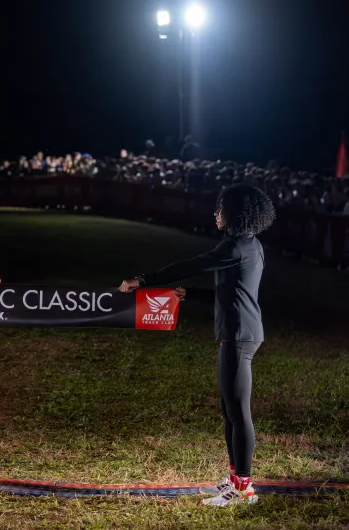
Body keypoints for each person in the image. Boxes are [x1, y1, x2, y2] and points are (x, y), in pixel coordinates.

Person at [119, 183, 274, 507]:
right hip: (240, 331)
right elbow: (237, 291)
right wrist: (195, 295)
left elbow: (192, 264)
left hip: (239, 335)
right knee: (229, 411)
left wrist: (144, 279)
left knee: (238, 412)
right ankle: (235, 478)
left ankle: (243, 487)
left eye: (220, 208)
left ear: (236, 213)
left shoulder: (233, 247)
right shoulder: (249, 245)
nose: (215, 213)